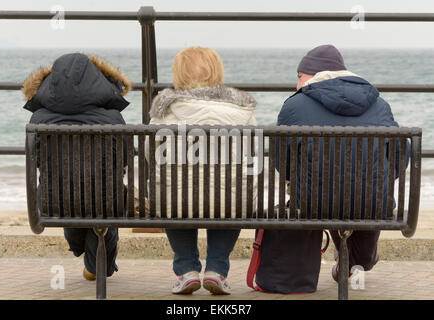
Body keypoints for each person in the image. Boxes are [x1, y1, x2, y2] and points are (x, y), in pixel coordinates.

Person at [276, 44, 404, 283]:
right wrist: (376, 179)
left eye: (299, 77)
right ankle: (359, 260)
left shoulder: (294, 106)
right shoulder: (380, 105)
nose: (296, 84)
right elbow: (398, 157)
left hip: (314, 205)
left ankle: (350, 259)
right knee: (367, 188)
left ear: (313, 75)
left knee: (326, 187)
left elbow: (283, 162)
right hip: (374, 203)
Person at [149, 46, 258, 295]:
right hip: (229, 201)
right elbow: (252, 156)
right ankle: (216, 270)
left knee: (173, 196)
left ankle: (187, 270)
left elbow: (149, 151)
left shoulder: (164, 109)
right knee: (230, 196)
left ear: (178, 74)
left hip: (176, 201)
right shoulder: (240, 110)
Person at [22, 52, 131, 281]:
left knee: (65, 190)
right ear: (98, 82)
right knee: (105, 197)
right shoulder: (113, 119)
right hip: (106, 202)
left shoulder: (39, 120)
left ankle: (83, 252)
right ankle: (97, 265)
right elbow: (122, 162)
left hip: (54, 203)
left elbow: (39, 162)